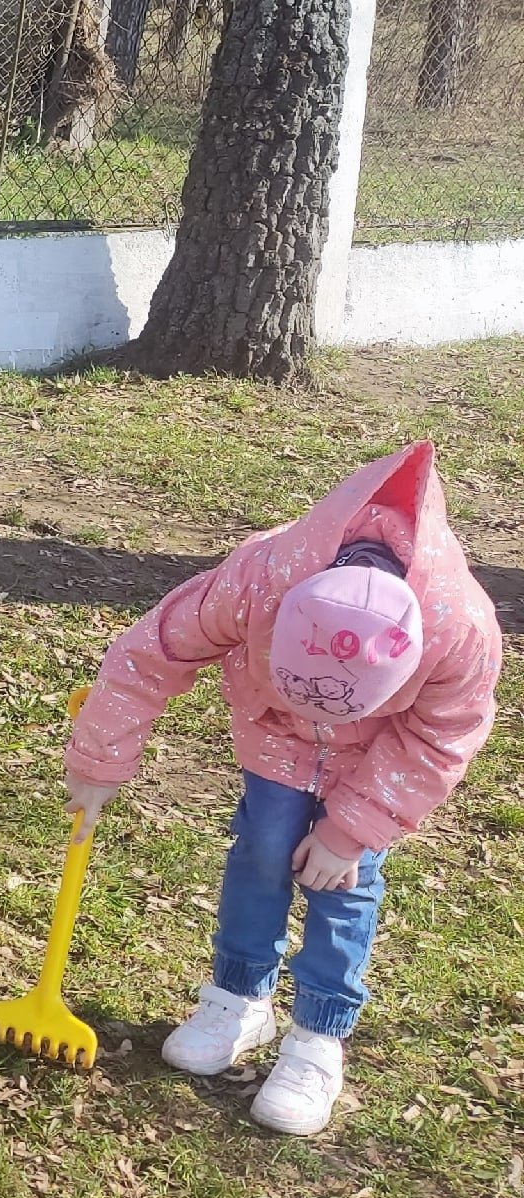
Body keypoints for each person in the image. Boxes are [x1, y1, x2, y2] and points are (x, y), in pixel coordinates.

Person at [67, 442, 500, 1137]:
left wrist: (349, 830)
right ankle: (239, 999)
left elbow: (441, 737)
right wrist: (98, 761)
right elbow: (151, 654)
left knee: (343, 885)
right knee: (261, 850)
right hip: (273, 740)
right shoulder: (260, 579)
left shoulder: (460, 628)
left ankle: (317, 1038)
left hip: (376, 763)